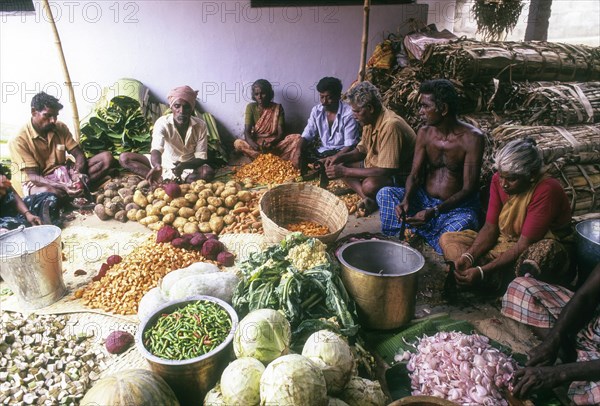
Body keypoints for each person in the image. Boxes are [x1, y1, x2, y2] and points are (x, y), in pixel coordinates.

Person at [440, 138, 576, 293]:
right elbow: (490, 227)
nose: (504, 184)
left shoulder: (546, 189)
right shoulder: (498, 180)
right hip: (505, 242)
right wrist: (469, 256)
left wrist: (483, 271)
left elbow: (525, 244)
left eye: (512, 179)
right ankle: (486, 276)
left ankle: (493, 278)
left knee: (541, 254)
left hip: (535, 247)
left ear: (531, 175)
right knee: (449, 239)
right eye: (502, 176)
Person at [376, 79, 483, 253]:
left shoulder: (472, 138)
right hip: (424, 199)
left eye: (425, 106)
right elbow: (415, 175)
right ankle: (412, 234)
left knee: (466, 222)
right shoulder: (424, 133)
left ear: (444, 109)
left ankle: (419, 233)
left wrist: (434, 210)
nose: (420, 112)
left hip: (456, 208)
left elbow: (469, 188)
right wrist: (406, 200)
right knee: (385, 194)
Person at [503, 263, 600, 404]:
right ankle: (569, 356)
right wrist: (554, 339)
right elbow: (585, 296)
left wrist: (560, 373)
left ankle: (574, 367)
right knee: (520, 288)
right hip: (593, 325)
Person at [324, 81, 416, 216]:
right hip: (375, 164)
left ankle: (368, 194)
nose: (353, 115)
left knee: (369, 185)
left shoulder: (391, 125)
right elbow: (361, 150)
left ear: (370, 108)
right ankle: (367, 198)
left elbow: (385, 170)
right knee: (339, 164)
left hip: (399, 175)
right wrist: (339, 157)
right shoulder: (369, 120)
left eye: (356, 111)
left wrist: (346, 171)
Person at [8, 92, 115, 203]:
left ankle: (72, 191)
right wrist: (62, 186)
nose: (53, 120)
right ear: (34, 112)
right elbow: (34, 177)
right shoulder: (18, 140)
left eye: (55, 116)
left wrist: (77, 174)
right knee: (50, 192)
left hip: (62, 174)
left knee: (106, 158)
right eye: (48, 115)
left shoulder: (60, 127)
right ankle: (71, 192)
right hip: (37, 182)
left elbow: (78, 154)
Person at [119, 85, 214, 184]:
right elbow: (156, 149)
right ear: (171, 107)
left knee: (207, 173)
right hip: (163, 162)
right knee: (124, 158)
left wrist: (183, 165)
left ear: (192, 108)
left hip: (187, 166)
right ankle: (157, 177)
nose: (181, 111)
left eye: (186, 107)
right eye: (177, 106)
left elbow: (201, 157)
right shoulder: (162, 123)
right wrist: (157, 165)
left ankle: (167, 179)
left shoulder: (200, 125)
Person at [233, 79, 302, 167]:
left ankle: (265, 161)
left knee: (297, 138)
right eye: (256, 94)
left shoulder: (278, 108)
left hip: (275, 145)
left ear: (269, 94)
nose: (260, 97)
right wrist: (254, 145)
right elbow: (247, 132)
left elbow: (281, 133)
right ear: (254, 96)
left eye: (263, 93)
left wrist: (272, 144)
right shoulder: (251, 107)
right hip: (257, 145)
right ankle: (271, 160)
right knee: (238, 143)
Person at [299, 77, 359, 175]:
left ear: (338, 96)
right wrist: (298, 151)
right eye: (322, 97)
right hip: (323, 151)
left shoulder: (348, 113)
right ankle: (322, 165)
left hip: (341, 153)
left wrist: (332, 159)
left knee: (340, 164)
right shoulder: (316, 111)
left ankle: (327, 166)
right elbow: (307, 134)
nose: (324, 102)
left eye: (329, 97)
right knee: (298, 147)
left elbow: (349, 145)